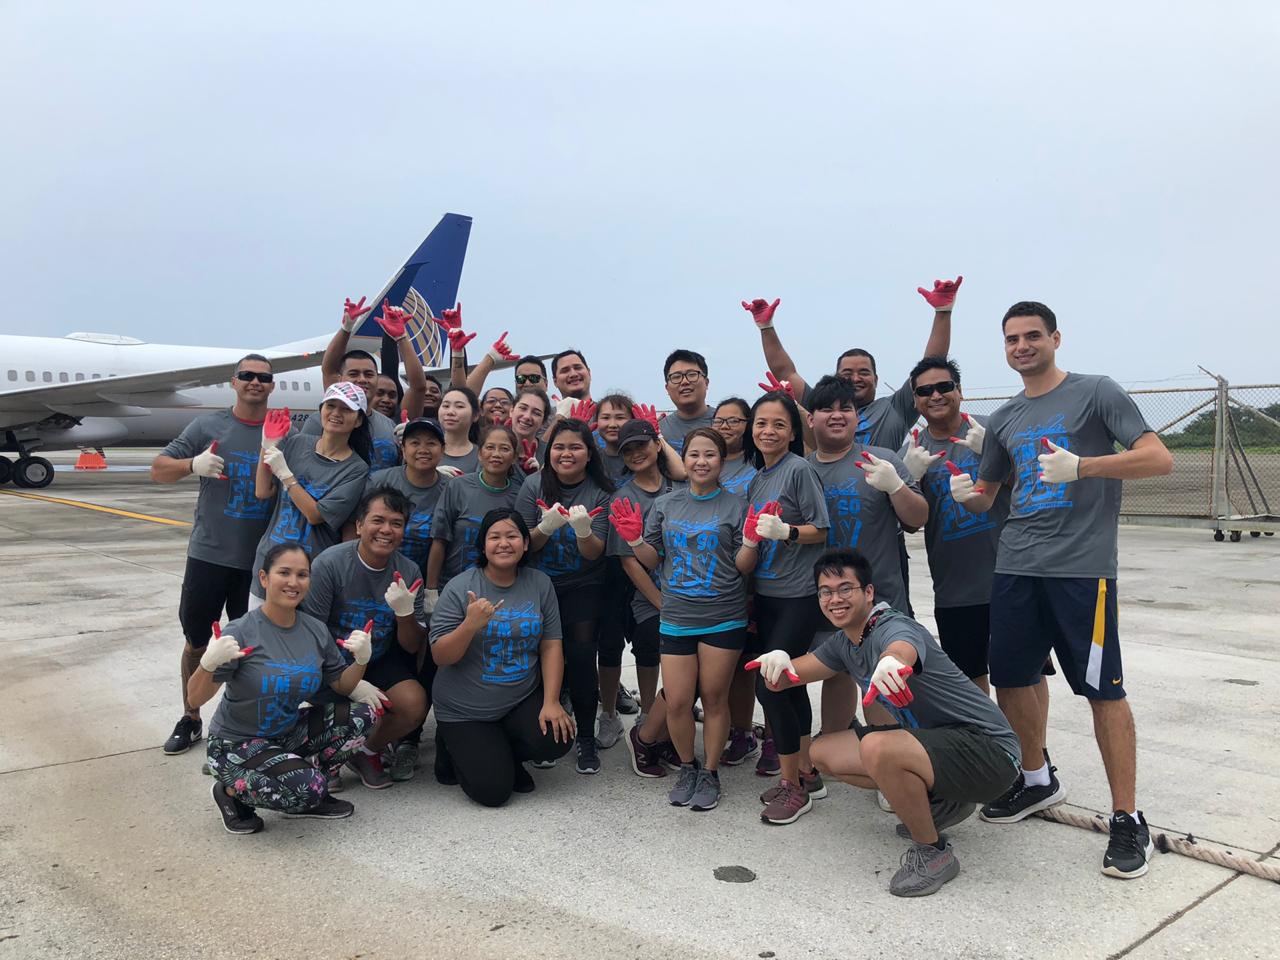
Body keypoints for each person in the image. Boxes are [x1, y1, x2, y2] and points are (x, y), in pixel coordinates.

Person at [952, 300, 1172, 879]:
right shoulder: (1003, 418)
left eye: (1032, 336)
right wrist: (962, 493)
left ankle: (1127, 817)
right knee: (1014, 679)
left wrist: (1085, 468)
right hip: (1017, 566)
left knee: (1102, 689)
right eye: (1011, 339)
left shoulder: (1097, 392)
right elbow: (990, 490)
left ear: (1055, 337)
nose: (1021, 346)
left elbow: (1157, 458)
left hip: (1082, 570)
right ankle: (1035, 779)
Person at [753, 549, 1021, 897]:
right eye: (826, 591)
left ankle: (933, 853)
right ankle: (941, 803)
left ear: (868, 593)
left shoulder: (892, 625)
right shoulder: (845, 642)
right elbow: (791, 675)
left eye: (845, 588)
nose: (835, 599)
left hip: (992, 753)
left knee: (878, 746)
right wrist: (777, 660)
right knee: (823, 752)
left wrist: (893, 661)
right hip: (944, 746)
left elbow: (900, 647)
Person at [194, 542, 389, 833]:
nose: (293, 582)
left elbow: (341, 683)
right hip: (236, 744)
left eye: (302, 575)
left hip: (285, 732)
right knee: (307, 788)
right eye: (284, 572)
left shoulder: (314, 629)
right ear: (264, 578)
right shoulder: (241, 631)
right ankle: (231, 792)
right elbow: (194, 696)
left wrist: (361, 659)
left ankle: (312, 790)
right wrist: (208, 664)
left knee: (364, 715)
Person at [617, 428, 760, 812]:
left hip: (723, 617)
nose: (701, 461)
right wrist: (634, 541)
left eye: (710, 454)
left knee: (714, 698)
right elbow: (652, 559)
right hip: (677, 616)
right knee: (678, 701)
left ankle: (710, 772)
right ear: (683, 458)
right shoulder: (666, 504)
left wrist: (751, 541)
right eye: (693, 454)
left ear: (721, 460)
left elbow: (744, 567)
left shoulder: (737, 504)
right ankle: (688, 766)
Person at [152, 354, 279, 755]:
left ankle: (239, 724)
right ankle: (190, 716)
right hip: (210, 554)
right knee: (196, 642)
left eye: (263, 377)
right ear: (234, 382)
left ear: (272, 385)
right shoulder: (209, 426)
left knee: (250, 649)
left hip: (260, 563)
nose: (255, 382)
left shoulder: (281, 430)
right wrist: (192, 463)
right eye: (247, 376)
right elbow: (158, 469)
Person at [806, 375, 928, 736]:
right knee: (837, 671)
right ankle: (839, 745)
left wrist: (896, 486)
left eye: (846, 408)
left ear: (858, 417)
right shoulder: (801, 469)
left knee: (883, 678)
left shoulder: (883, 460)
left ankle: (889, 764)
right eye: (826, 408)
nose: (837, 415)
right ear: (810, 418)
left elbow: (917, 519)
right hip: (825, 597)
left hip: (880, 596)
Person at [429, 509, 575, 806]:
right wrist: (469, 626)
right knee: (493, 793)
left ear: (525, 543)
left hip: (518, 698)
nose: (504, 543)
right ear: (483, 546)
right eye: (494, 537)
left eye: (512, 536)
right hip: (465, 709)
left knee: (557, 738)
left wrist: (551, 701)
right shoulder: (460, 587)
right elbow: (440, 655)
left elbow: (550, 644)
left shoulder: (539, 583)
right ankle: (451, 745)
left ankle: (500, 756)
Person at [742, 390, 832, 824]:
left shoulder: (799, 470)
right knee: (790, 685)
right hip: (767, 593)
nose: (768, 431)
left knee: (771, 683)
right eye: (761, 423)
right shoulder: (759, 476)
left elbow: (822, 529)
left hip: (798, 594)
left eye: (779, 424)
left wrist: (788, 532)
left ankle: (793, 786)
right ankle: (808, 771)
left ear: (793, 432)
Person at [899, 356, 1011, 694]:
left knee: (1022, 676)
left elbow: (1036, 487)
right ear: (915, 400)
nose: (935, 395)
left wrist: (994, 456)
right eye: (925, 391)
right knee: (970, 679)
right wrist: (907, 481)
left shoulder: (992, 429)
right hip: (955, 588)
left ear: (960, 391)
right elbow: (908, 525)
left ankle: (1035, 748)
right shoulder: (913, 452)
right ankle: (989, 747)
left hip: (1012, 575)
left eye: (944, 387)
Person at [302, 488, 428, 788]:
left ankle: (363, 751)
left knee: (414, 704)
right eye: (378, 520)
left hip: (378, 658)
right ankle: (326, 751)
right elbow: (311, 634)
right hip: (329, 662)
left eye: (396, 523)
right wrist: (350, 682)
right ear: (359, 525)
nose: (386, 530)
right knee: (349, 710)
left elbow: (411, 645)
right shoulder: (329, 564)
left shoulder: (408, 570)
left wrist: (405, 613)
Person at [744, 280, 959, 448]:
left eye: (864, 372)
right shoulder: (821, 405)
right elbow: (786, 373)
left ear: (876, 379)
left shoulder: (895, 408)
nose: (855, 378)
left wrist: (943, 312)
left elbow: (931, 367)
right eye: (847, 373)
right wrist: (766, 327)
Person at [514, 418, 614, 774]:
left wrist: (582, 531)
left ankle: (586, 736)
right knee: (538, 657)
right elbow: (522, 547)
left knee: (583, 655)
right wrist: (544, 528)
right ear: (548, 451)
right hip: (538, 584)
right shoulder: (532, 485)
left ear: (589, 454)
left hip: (583, 583)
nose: (566, 453)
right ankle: (546, 733)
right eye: (559, 447)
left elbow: (594, 553)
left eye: (575, 447)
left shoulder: (602, 489)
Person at [249, 382, 370, 604]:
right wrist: (266, 445)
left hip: (309, 570)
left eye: (346, 409)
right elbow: (262, 490)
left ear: (359, 419)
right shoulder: (296, 443)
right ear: (321, 410)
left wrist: (286, 475)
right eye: (330, 406)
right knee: (257, 635)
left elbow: (315, 515)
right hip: (270, 562)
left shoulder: (356, 469)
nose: (336, 413)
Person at [599, 419, 677, 743]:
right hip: (636, 588)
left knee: (662, 649)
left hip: (682, 584)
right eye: (627, 450)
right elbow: (629, 562)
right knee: (629, 644)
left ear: (657, 445)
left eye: (641, 445)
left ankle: (660, 709)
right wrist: (661, 603)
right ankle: (626, 713)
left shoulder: (680, 485)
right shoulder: (622, 496)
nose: (635, 454)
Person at [304, 297, 429, 470]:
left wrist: (402, 337)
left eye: (369, 374)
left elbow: (418, 387)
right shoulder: (320, 422)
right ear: (340, 379)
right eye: (353, 374)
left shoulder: (391, 426)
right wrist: (346, 329)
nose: (362, 379)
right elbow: (329, 369)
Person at [711, 396, 762, 766]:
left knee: (767, 659)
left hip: (764, 575)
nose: (727, 426)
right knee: (740, 664)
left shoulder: (759, 465)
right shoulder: (703, 463)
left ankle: (777, 735)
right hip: (722, 582)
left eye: (735, 420)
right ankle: (741, 731)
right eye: (720, 420)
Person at [427, 423, 523, 591]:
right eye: (490, 447)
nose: (496, 454)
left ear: (514, 457)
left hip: (497, 589)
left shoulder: (519, 494)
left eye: (505, 449)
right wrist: (431, 589)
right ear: (479, 454)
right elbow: (439, 539)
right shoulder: (457, 486)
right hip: (452, 586)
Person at [366, 418, 450, 571]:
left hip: (422, 579)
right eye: (415, 443)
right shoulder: (379, 481)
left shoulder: (451, 489)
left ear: (443, 450)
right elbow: (356, 526)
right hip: (376, 571)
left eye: (431, 443)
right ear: (403, 450)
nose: (423, 449)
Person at [658, 350, 714, 453]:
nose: (684, 382)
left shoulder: (725, 423)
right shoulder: (659, 430)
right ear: (667, 388)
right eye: (676, 377)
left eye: (692, 374)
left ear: (706, 383)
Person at [714, 397, 757, 496]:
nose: (724, 426)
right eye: (718, 421)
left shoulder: (762, 458)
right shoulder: (706, 462)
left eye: (733, 421)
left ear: (749, 424)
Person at [437, 385, 481, 474]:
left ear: (475, 415)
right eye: (445, 406)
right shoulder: (425, 450)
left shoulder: (483, 455)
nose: (450, 412)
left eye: (459, 406)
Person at [509, 388, 551, 470]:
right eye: (523, 408)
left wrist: (537, 476)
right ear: (511, 411)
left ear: (543, 422)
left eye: (536, 413)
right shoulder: (492, 446)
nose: (527, 416)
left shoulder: (550, 454)